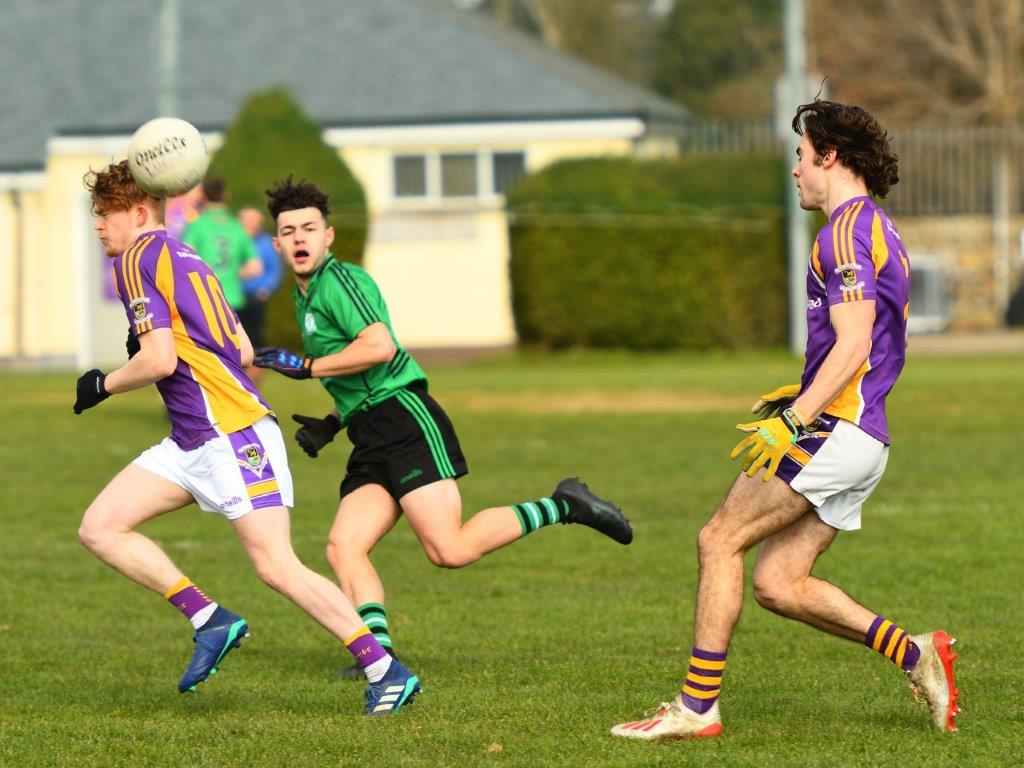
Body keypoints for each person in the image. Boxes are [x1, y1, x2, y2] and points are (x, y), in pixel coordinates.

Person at [611, 99, 959, 741]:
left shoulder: (846, 230)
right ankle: (918, 654)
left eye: (800, 156)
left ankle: (696, 708)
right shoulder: (879, 225)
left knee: (719, 538)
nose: (795, 170)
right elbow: (866, 342)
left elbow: (855, 343)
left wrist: (796, 417)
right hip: (865, 435)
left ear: (829, 156)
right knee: (779, 581)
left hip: (836, 429)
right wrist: (805, 387)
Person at [73, 160, 421, 715]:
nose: (98, 227)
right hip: (193, 437)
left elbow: (159, 360)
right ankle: (211, 619)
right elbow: (237, 347)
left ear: (137, 214)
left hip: (231, 434)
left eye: (104, 215)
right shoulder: (186, 256)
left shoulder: (137, 258)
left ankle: (386, 670)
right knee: (101, 526)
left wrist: (102, 384)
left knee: (277, 566)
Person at [253, 176, 633, 678]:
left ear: (329, 236)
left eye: (309, 227)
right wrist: (331, 423)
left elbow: (379, 347)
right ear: (277, 243)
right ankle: (379, 656)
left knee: (448, 549)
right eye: (289, 231)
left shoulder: (340, 281)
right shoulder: (306, 297)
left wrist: (306, 368)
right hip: (370, 429)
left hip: (404, 420)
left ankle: (565, 503)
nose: (300, 238)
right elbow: (359, 372)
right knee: (344, 545)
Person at [182, 177, 262, 314]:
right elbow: (255, 268)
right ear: (226, 195)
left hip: (204, 300)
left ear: (203, 196)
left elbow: (185, 260)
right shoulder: (237, 227)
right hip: (232, 300)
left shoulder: (196, 225)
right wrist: (232, 273)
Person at [236, 207, 283, 381]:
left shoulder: (265, 244)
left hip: (255, 297)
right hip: (233, 297)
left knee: (254, 335)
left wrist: (265, 289)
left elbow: (274, 271)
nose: (249, 224)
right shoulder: (234, 240)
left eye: (252, 220)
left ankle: (254, 372)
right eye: (246, 220)